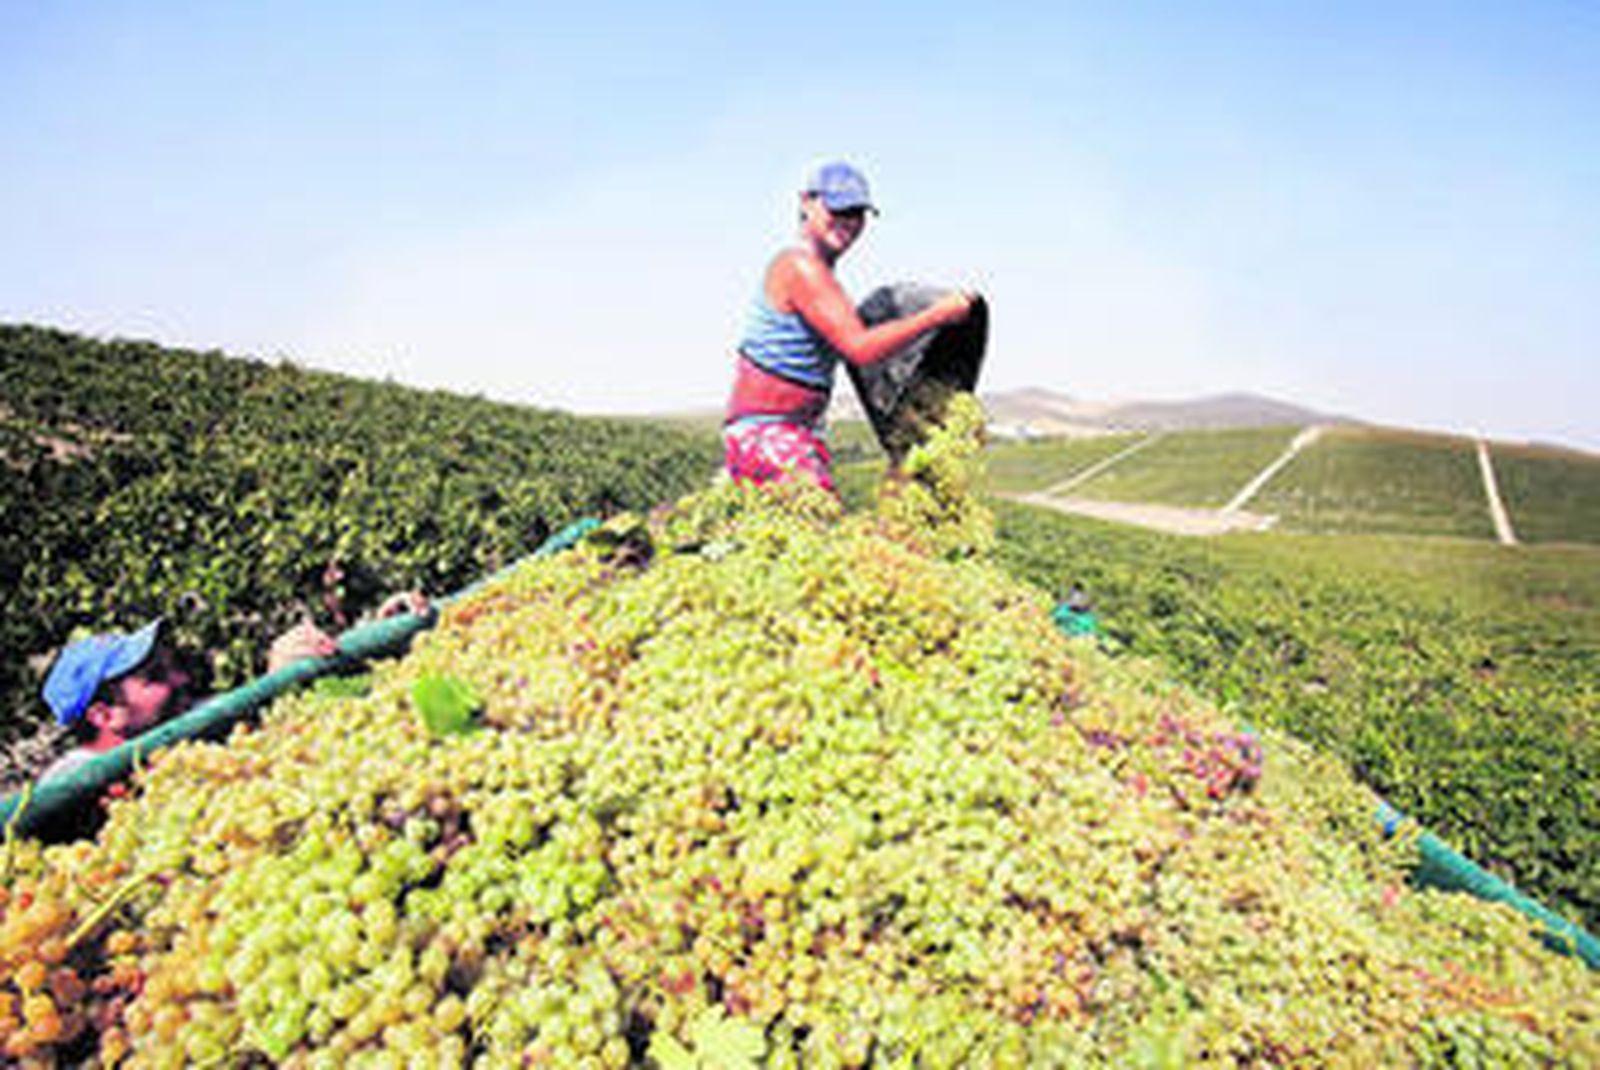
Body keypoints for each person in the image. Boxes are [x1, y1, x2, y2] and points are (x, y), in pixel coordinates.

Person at [723, 160, 975, 493]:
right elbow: (859, 348)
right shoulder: (800, 266)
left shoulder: (822, 275)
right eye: (838, 209)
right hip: (770, 433)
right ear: (806, 203)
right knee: (815, 528)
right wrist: (937, 316)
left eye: (856, 213)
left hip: (798, 430)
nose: (848, 222)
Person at [36, 592, 428, 783]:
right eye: (155, 677)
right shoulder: (72, 785)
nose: (183, 680)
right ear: (103, 716)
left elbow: (284, 729)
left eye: (173, 668)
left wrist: (377, 635)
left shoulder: (193, 718)